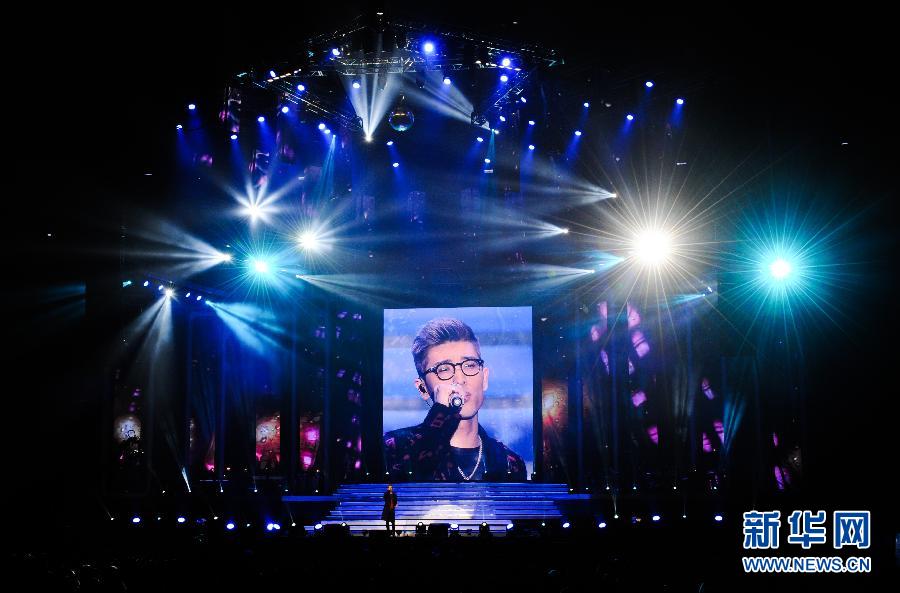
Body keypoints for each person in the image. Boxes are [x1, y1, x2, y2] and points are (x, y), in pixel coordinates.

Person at [383, 317, 527, 481]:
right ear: (423, 388)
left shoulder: (508, 462)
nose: (460, 379)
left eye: (470, 365)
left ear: (484, 378)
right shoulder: (395, 447)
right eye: (444, 369)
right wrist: (441, 414)